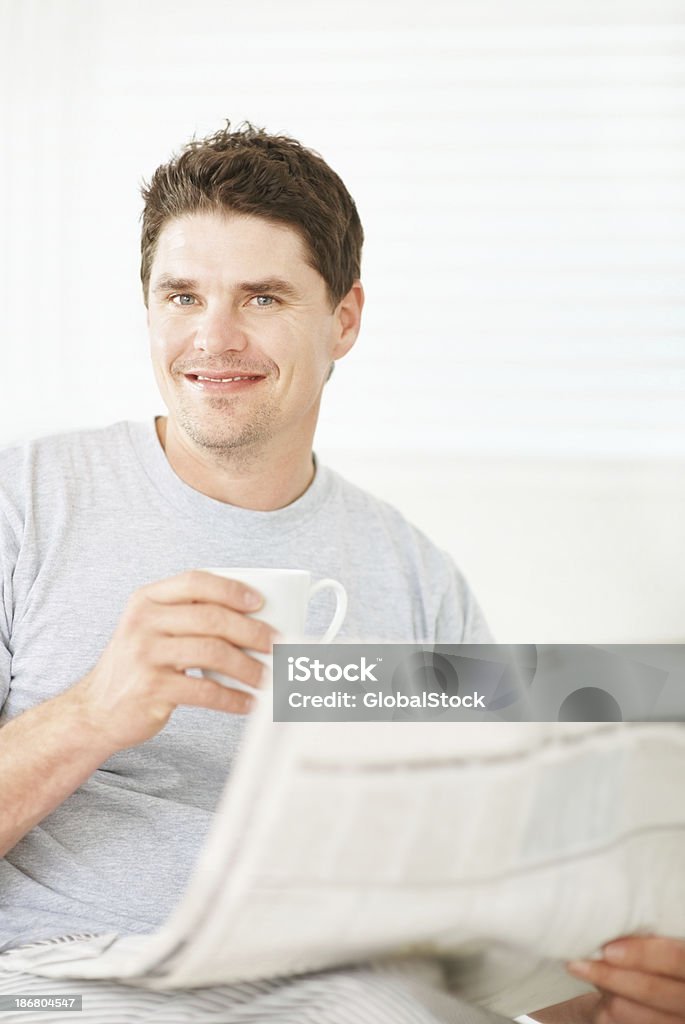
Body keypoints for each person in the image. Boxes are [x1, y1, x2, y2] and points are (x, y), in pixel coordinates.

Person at [0, 121, 681, 1024]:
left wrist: (605, 1008)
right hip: (72, 976)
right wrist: (90, 714)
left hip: (343, 989)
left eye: (263, 298)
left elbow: (481, 914)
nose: (213, 337)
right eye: (181, 295)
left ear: (344, 319)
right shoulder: (27, 505)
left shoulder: (412, 574)